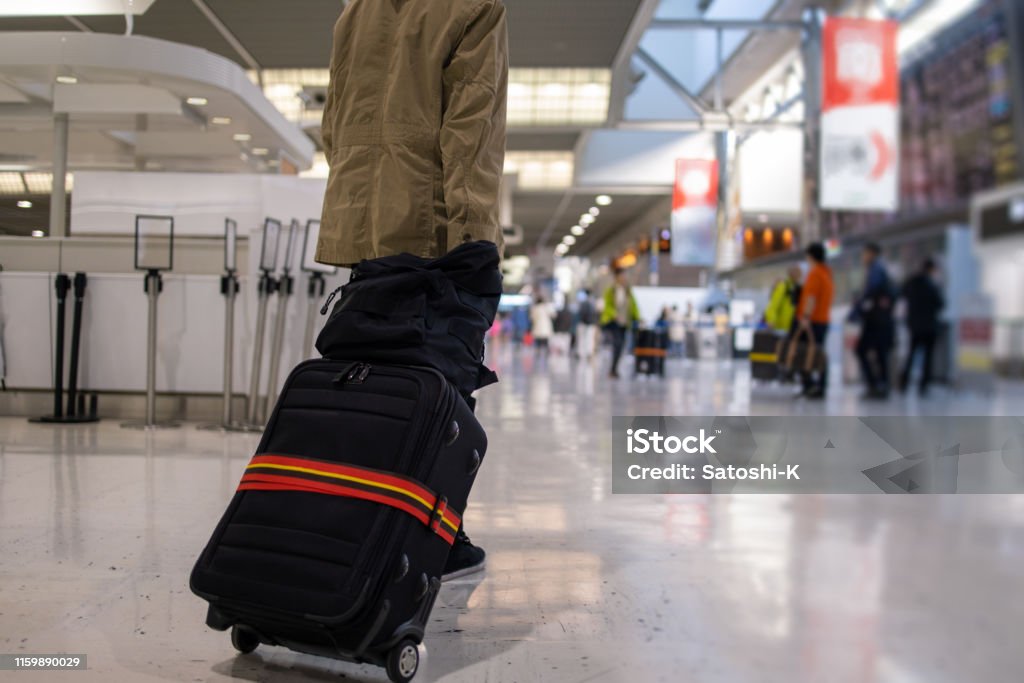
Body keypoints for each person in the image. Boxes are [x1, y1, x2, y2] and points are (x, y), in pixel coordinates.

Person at [316, 0, 509, 580]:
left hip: (363, 220)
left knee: (373, 374)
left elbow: (334, 122)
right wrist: (475, 238)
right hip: (435, 224)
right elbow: (472, 126)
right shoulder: (475, 5)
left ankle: (364, 513)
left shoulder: (356, 10)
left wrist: (359, 201)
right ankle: (434, 534)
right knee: (441, 376)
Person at [851, 243, 896, 399]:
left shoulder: (876, 270)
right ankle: (880, 385)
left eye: (864, 254)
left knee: (864, 350)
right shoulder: (880, 268)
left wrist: (857, 310)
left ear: (872, 253)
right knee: (879, 352)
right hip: (880, 319)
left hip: (876, 320)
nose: (863, 257)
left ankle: (877, 385)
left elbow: (870, 292)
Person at [794, 243, 834, 399]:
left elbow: (811, 297)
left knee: (804, 353)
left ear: (811, 256)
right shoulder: (827, 273)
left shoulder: (815, 273)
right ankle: (819, 386)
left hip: (812, 321)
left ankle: (811, 385)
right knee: (819, 352)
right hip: (823, 320)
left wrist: (805, 317)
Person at [899, 258, 944, 396]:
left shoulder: (911, 282)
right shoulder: (932, 285)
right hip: (929, 326)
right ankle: (923, 386)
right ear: (931, 269)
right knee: (927, 358)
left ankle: (904, 382)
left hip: (914, 325)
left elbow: (902, 294)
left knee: (911, 355)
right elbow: (940, 304)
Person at [601, 269, 641, 378]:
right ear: (617, 278)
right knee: (617, 344)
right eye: (621, 276)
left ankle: (614, 369)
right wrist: (613, 314)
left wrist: (638, 317)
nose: (623, 278)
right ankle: (613, 369)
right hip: (614, 322)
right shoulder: (611, 290)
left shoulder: (628, 290)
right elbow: (607, 305)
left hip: (624, 322)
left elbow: (633, 305)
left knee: (621, 345)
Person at [764, 266, 802, 334]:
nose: (800, 275)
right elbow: (774, 304)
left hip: (790, 326)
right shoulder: (783, 286)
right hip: (779, 326)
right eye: (798, 272)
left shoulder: (796, 287)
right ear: (791, 273)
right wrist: (771, 320)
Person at [576, 290, 598, 361]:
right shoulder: (593, 303)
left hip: (584, 323)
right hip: (590, 324)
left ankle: (581, 353)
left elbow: (580, 313)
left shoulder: (583, 303)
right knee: (589, 339)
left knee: (582, 339)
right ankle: (589, 353)